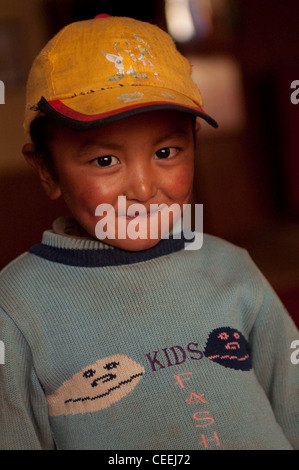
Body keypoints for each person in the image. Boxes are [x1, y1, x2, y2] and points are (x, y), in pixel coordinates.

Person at [0, 15, 298, 451]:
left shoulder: (231, 267)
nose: (142, 188)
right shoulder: (16, 309)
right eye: (105, 161)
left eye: (165, 152)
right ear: (46, 170)